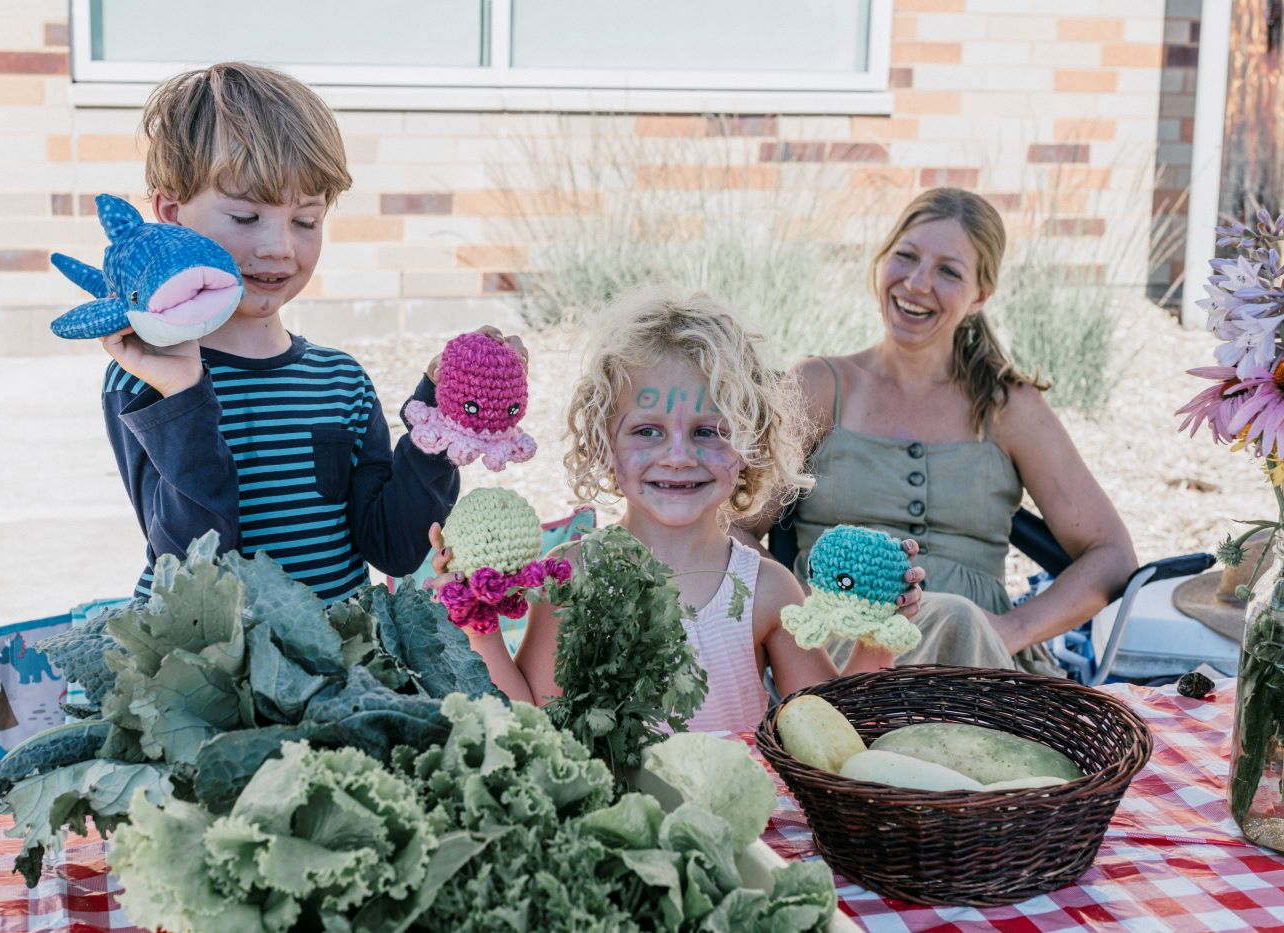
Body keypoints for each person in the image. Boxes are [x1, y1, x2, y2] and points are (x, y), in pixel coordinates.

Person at [99, 62, 524, 601]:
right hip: (217, 678)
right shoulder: (146, 379)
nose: (279, 246)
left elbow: (393, 547)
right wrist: (185, 396)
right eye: (246, 217)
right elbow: (190, 572)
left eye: (305, 221)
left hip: (341, 677)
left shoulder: (340, 381)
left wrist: (446, 416)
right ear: (170, 214)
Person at [430, 292, 925, 732]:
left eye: (709, 431)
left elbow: (830, 732)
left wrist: (878, 641)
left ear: (749, 442)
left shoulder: (766, 590)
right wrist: (482, 629)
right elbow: (534, 726)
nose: (679, 455)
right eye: (648, 431)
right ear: (604, 441)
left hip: (736, 832)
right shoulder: (572, 576)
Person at [738, 188, 1137, 674]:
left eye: (949, 271)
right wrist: (805, 611)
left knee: (955, 620)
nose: (917, 283)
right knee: (947, 626)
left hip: (981, 661)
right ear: (882, 261)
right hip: (837, 659)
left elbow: (1112, 555)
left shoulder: (1008, 408)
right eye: (905, 257)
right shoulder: (820, 387)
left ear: (980, 297)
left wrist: (1013, 629)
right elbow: (734, 527)